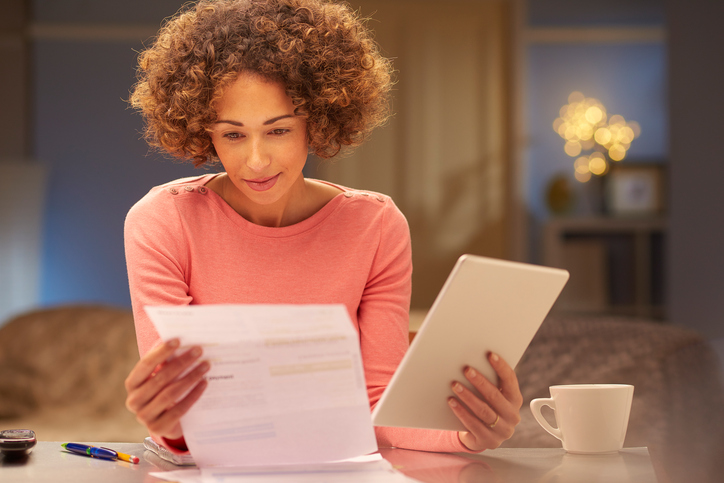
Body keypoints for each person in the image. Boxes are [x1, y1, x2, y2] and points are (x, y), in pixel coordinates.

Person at [123, 0, 522, 455]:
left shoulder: (375, 226)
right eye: (233, 134)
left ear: (317, 120)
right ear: (203, 130)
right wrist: (171, 426)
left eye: (278, 130)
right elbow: (178, 412)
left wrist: (467, 434)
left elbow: (379, 406)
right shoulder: (162, 221)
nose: (256, 160)